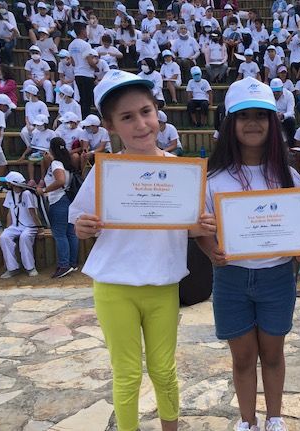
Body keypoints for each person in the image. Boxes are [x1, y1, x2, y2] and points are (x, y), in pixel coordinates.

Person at [69, 70, 215, 431]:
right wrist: (83, 227)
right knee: (127, 373)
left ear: (157, 112)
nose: (140, 124)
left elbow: (191, 226)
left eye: (146, 112)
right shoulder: (105, 172)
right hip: (114, 287)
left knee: (164, 370)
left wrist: (203, 226)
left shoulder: (179, 171)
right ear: (110, 125)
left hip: (163, 284)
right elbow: (80, 222)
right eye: (127, 117)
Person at [195, 77, 300, 431]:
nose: (253, 123)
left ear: (273, 122)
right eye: (243, 116)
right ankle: (248, 420)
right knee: (242, 358)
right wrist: (211, 250)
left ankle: (274, 417)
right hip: (231, 278)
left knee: (273, 354)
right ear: (230, 123)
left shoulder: (289, 177)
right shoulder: (214, 179)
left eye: (261, 115)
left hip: (277, 277)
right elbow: (201, 230)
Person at [37, 137, 79, 278]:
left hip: (58, 200)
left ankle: (64, 265)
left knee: (60, 234)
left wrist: (44, 190)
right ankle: (72, 263)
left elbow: (60, 181)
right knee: (70, 233)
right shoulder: (67, 162)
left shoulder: (56, 163)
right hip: (68, 200)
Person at [0, 171, 41, 279]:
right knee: (4, 237)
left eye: (8, 182)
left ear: (13, 184)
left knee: (24, 237)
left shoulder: (27, 194)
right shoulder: (10, 194)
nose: (6, 184)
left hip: (29, 226)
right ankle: (12, 268)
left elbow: (32, 212)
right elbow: (9, 213)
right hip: (16, 226)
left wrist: (39, 228)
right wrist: (8, 228)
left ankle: (30, 267)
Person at [69, 21, 97, 118]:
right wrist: (96, 67)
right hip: (87, 74)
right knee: (87, 100)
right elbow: (90, 61)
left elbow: (73, 62)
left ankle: (83, 117)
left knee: (82, 98)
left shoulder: (71, 45)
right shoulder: (85, 45)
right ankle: (86, 118)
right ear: (82, 31)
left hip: (77, 74)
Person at [18, 114, 55, 184]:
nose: (38, 126)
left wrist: (49, 153)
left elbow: (53, 146)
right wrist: (24, 155)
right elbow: (31, 146)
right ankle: (31, 180)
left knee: (43, 160)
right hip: (38, 152)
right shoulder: (36, 132)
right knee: (30, 159)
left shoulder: (51, 133)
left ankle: (42, 180)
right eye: (37, 125)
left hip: (47, 152)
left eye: (40, 125)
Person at [270, 77, 295, 145]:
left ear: (282, 89)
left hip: (285, 118)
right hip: (273, 117)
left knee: (290, 121)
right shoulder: (268, 95)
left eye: (278, 91)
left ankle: (291, 145)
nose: (276, 93)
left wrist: (282, 116)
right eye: (274, 92)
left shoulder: (289, 95)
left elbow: (291, 111)